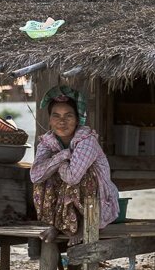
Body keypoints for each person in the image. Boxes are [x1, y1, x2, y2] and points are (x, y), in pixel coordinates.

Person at [31, 85, 119, 244]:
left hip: (96, 203)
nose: (62, 121)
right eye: (56, 116)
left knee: (82, 174)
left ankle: (82, 225)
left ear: (78, 119)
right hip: (65, 194)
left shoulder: (87, 140)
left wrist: (56, 163)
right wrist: (62, 157)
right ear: (50, 120)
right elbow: (35, 175)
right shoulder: (47, 141)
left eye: (68, 116)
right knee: (44, 179)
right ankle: (57, 224)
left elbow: (72, 177)